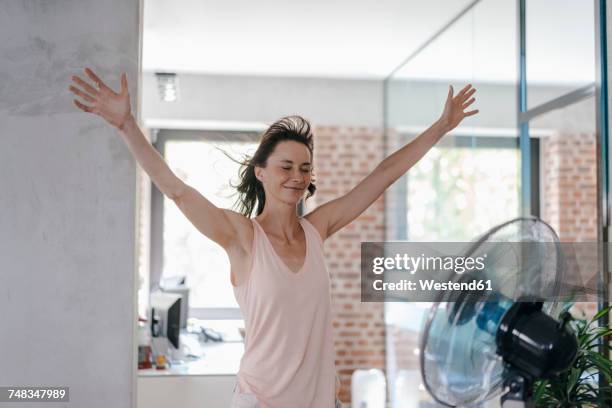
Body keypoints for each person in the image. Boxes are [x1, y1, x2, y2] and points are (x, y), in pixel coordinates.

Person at [69, 67, 478, 408]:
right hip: (261, 401)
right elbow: (177, 190)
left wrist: (441, 127)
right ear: (261, 172)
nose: (298, 177)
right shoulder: (242, 237)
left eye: (305, 168)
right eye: (286, 167)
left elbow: (383, 176)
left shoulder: (318, 229)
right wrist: (126, 125)